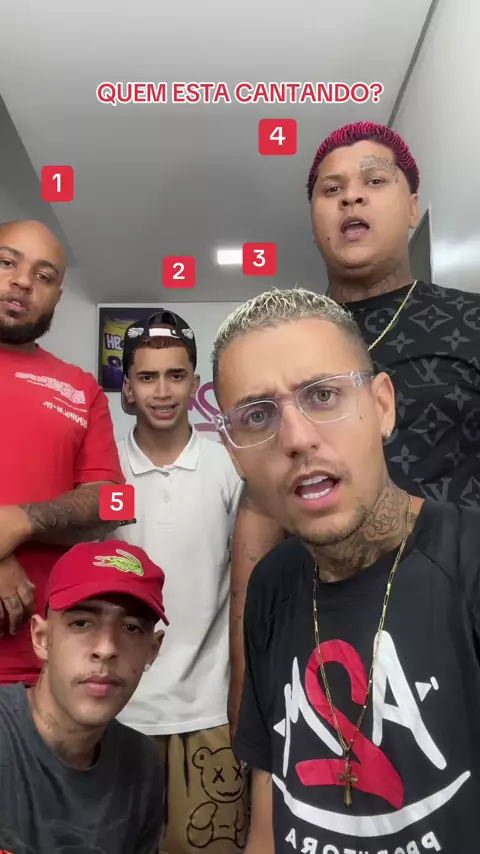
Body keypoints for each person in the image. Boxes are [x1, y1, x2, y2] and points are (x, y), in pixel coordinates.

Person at [227, 122, 480, 738]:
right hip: (319, 626)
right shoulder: (284, 340)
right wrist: (246, 685)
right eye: (330, 188)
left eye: (374, 180)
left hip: (456, 621)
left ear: (413, 206)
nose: (352, 197)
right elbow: (258, 517)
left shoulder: (468, 322)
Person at [212, 287, 480, 853]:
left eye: (324, 395)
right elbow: (271, 795)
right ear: (235, 453)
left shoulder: (468, 562)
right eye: (258, 416)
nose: (297, 439)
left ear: (383, 406)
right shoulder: (272, 585)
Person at [114, 310, 248, 854]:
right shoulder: (102, 472)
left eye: (175, 375)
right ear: (128, 387)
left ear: (195, 384)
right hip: (118, 711)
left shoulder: (230, 467)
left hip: (211, 711)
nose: (163, 391)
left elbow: (249, 584)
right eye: (147, 377)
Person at [0, 219, 125, 685]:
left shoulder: (80, 388)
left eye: (44, 275)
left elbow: (115, 502)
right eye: (7, 263)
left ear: (57, 295)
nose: (22, 282)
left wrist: (19, 522)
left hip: (44, 670)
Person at [0, 538, 169, 852]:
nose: (106, 648)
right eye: (81, 623)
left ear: (152, 650)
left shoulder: (141, 765)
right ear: (41, 638)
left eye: (131, 627)